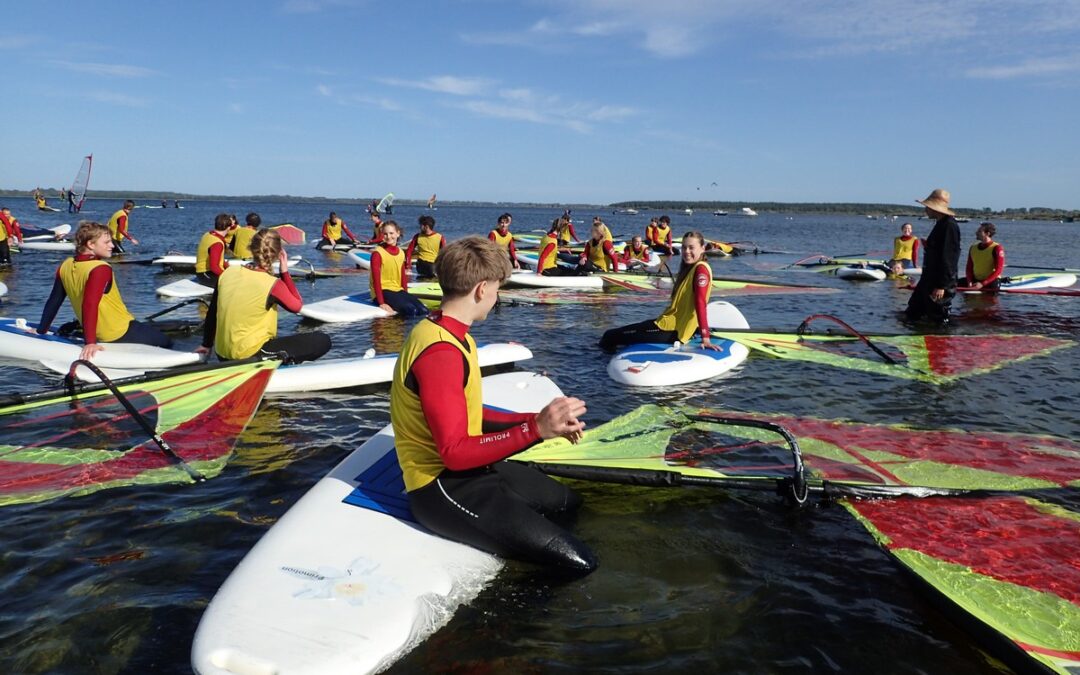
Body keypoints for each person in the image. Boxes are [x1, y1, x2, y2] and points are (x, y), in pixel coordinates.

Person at [390, 236, 596, 573]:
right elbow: (454, 453)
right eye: (499, 288)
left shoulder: (451, 331)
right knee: (581, 563)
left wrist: (539, 420)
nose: (498, 297)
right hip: (440, 485)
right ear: (482, 289)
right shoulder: (441, 353)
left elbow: (470, 412)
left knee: (567, 503)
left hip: (472, 470)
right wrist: (535, 431)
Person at [36, 221, 172, 361]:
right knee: (166, 342)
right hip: (117, 331)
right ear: (91, 244)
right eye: (107, 242)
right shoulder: (100, 268)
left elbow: (54, 301)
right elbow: (89, 304)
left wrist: (41, 330)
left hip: (96, 331)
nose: (112, 246)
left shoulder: (65, 264)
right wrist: (90, 343)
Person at [200, 229, 330, 363]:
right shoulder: (273, 284)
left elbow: (212, 313)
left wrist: (206, 344)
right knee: (322, 340)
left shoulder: (227, 273)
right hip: (250, 356)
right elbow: (297, 306)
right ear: (278, 254)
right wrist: (284, 272)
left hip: (222, 354)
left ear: (251, 248)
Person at [599, 231, 719, 352]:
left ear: (702, 248)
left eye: (691, 247)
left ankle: (600, 368)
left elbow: (700, 303)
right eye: (684, 247)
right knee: (626, 332)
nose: (687, 251)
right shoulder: (691, 268)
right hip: (667, 325)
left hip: (672, 331)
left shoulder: (701, 270)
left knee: (610, 336)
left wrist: (705, 337)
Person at [905, 189, 961, 324]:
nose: (926, 210)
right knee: (913, 312)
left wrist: (942, 286)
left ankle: (941, 340)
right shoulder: (941, 224)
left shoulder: (949, 226)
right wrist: (929, 245)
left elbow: (950, 257)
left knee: (938, 317)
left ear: (935, 208)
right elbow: (939, 250)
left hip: (940, 282)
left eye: (928, 207)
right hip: (928, 279)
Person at [369, 220, 428, 316]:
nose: (388, 237)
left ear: (398, 233)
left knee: (424, 310)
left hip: (397, 290)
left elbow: (402, 278)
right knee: (411, 310)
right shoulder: (378, 254)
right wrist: (381, 302)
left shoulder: (401, 253)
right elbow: (376, 280)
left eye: (391, 233)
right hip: (383, 291)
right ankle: (403, 330)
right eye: (385, 234)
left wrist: (406, 295)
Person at [963, 222, 1005, 290]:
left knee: (992, 293)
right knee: (953, 284)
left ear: (987, 234)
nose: (976, 232)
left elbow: (999, 270)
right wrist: (969, 281)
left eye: (979, 231)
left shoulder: (997, 248)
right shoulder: (973, 247)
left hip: (991, 281)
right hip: (976, 279)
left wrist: (983, 284)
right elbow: (969, 268)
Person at [195, 213, 233, 287]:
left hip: (201, 273)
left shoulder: (208, 234)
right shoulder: (217, 243)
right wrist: (227, 276)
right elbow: (214, 267)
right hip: (206, 274)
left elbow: (217, 258)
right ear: (228, 228)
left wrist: (228, 267)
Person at [405, 214, 445, 279]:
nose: (420, 227)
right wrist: (408, 267)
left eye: (421, 225)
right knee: (431, 269)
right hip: (421, 264)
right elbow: (409, 251)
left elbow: (444, 253)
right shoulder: (417, 236)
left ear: (426, 226)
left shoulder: (440, 237)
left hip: (433, 264)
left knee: (434, 269)